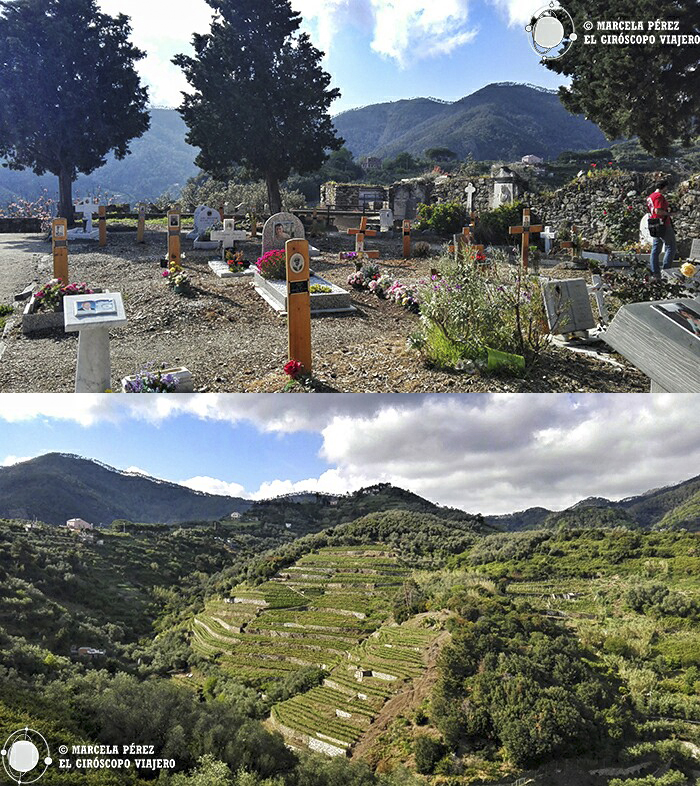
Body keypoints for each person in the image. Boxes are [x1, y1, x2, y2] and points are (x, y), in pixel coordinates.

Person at [647, 180, 677, 279]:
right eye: (666, 187)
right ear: (664, 187)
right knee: (671, 247)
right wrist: (670, 214)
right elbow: (658, 210)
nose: (667, 189)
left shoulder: (650, 196)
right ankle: (666, 271)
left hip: (654, 224)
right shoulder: (659, 196)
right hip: (663, 224)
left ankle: (655, 272)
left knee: (656, 249)